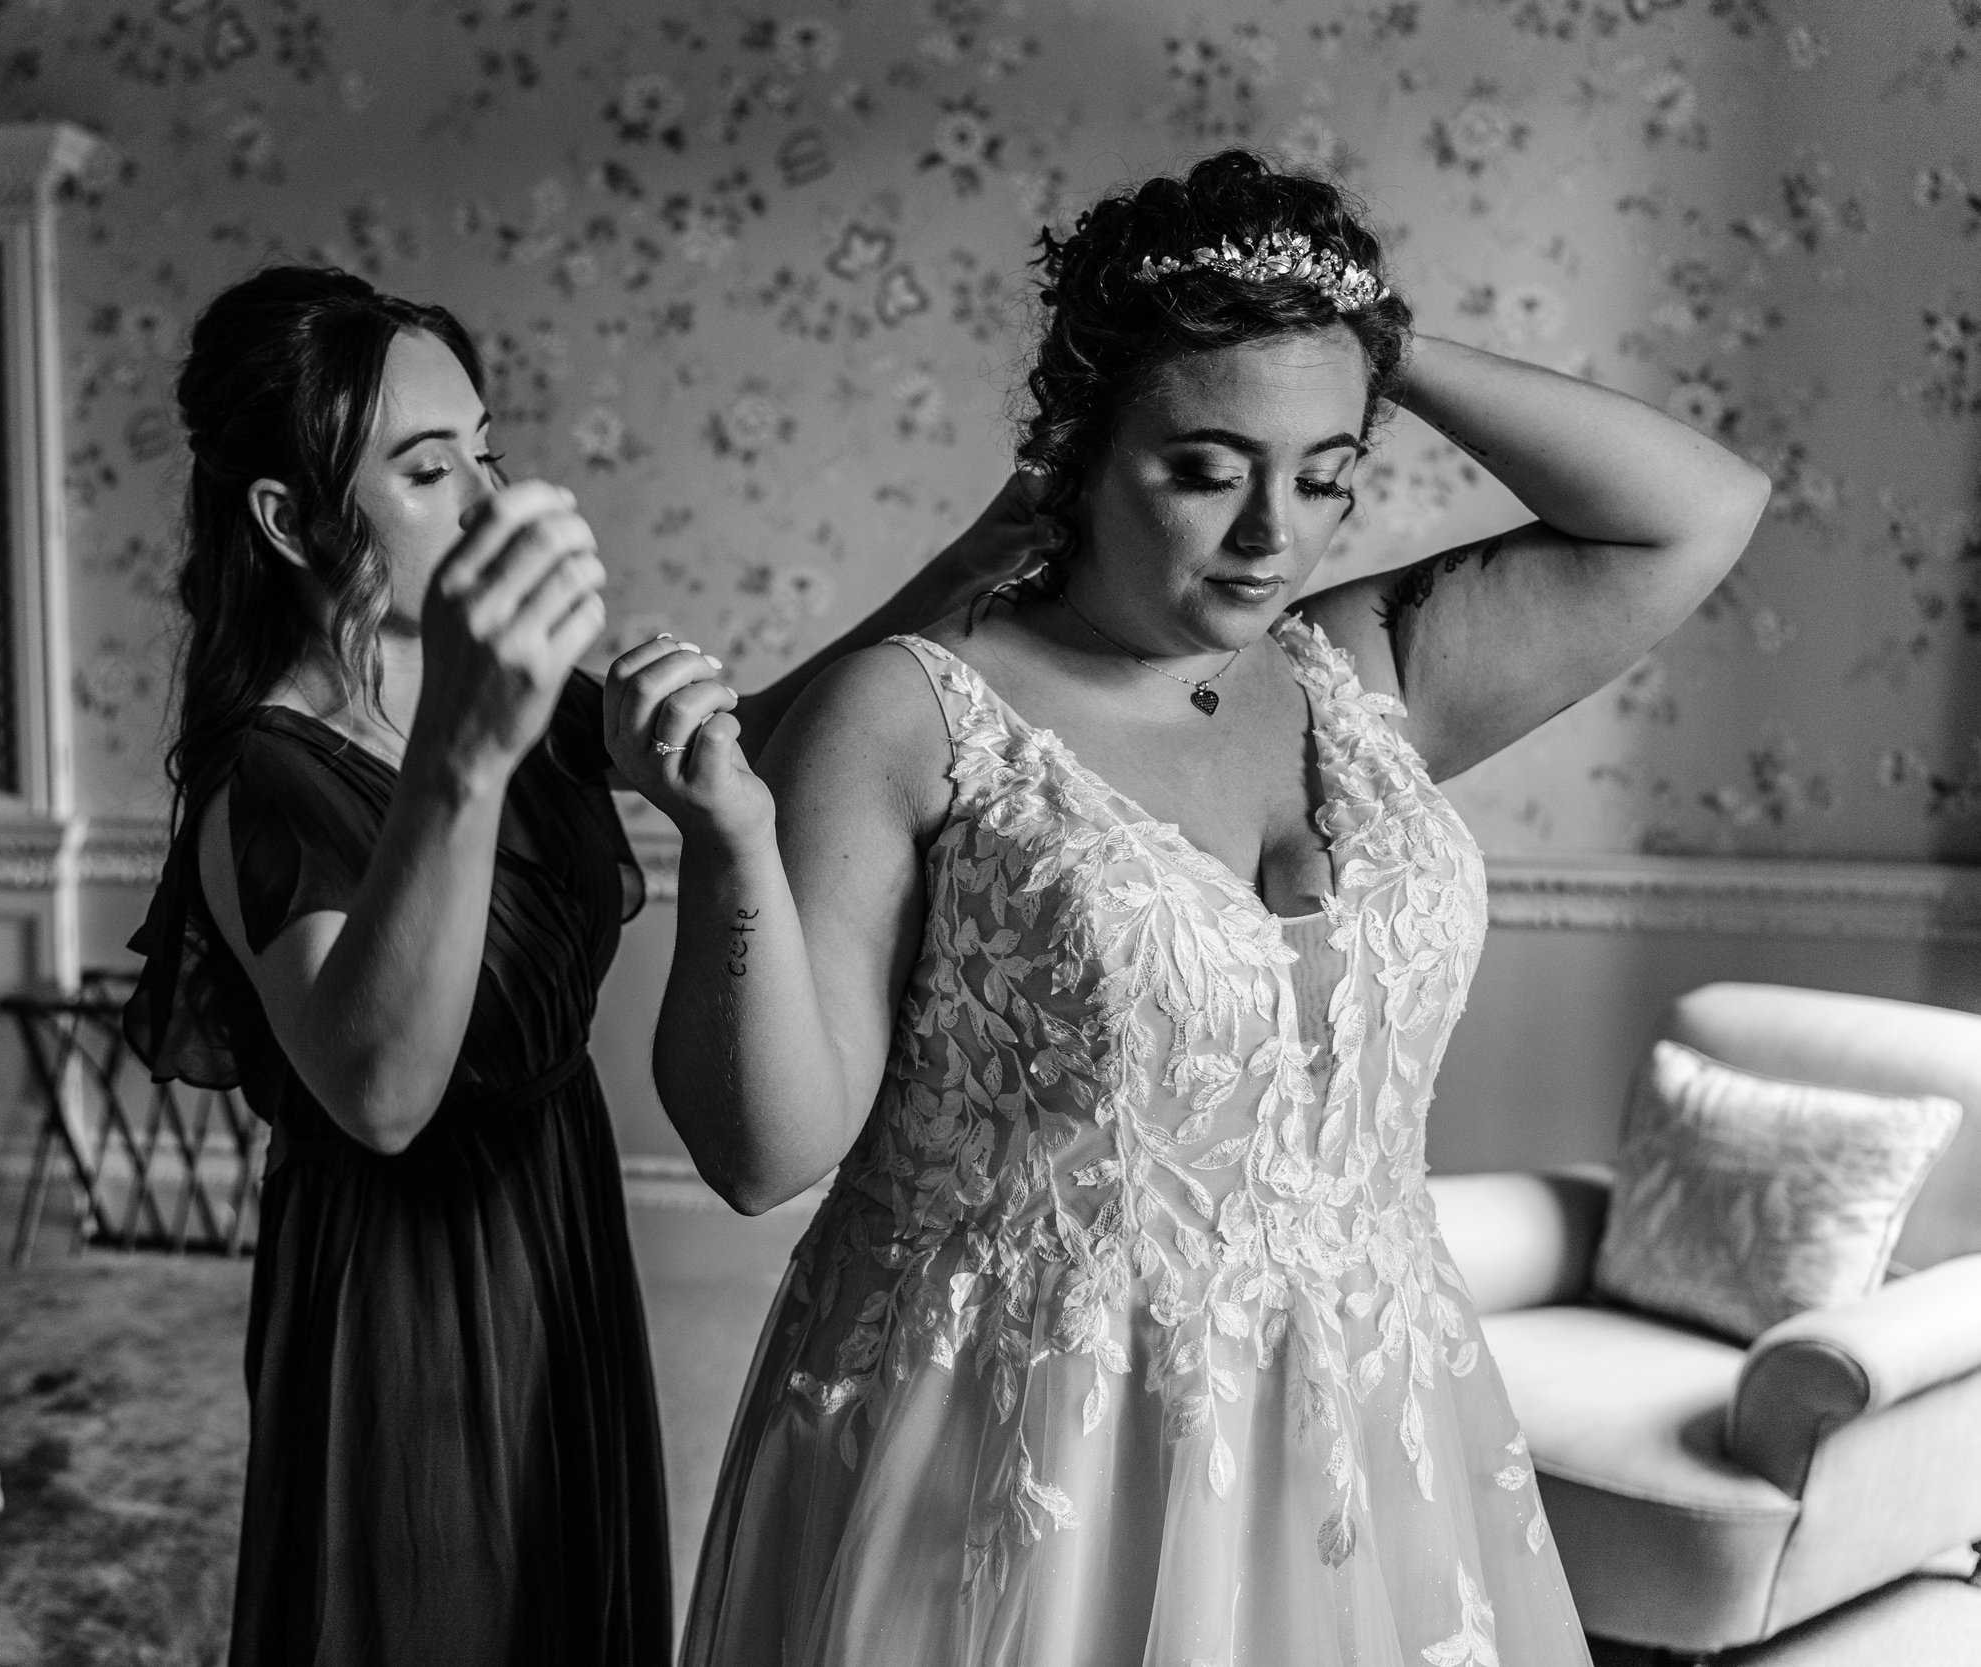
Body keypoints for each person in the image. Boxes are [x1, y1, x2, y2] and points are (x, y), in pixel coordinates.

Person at [606, 151, 1769, 1665]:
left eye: (1328, 471)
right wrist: (731, 842)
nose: (1273, 534)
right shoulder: (907, 717)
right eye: (1208, 468)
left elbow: (1697, 511)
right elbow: (764, 1155)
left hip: (1370, 1419)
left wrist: (1358, 336)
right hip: (1032, 1450)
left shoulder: (1360, 670)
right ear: (1080, 453)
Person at [119, 264, 1044, 1667]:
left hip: (558, 1221)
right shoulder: (271, 780)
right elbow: (379, 1095)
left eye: (487, 455)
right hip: (401, 1304)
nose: (488, 504)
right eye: (430, 473)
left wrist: (974, 566)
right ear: (291, 517)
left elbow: (751, 742)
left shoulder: (501, 691)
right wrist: (468, 745)